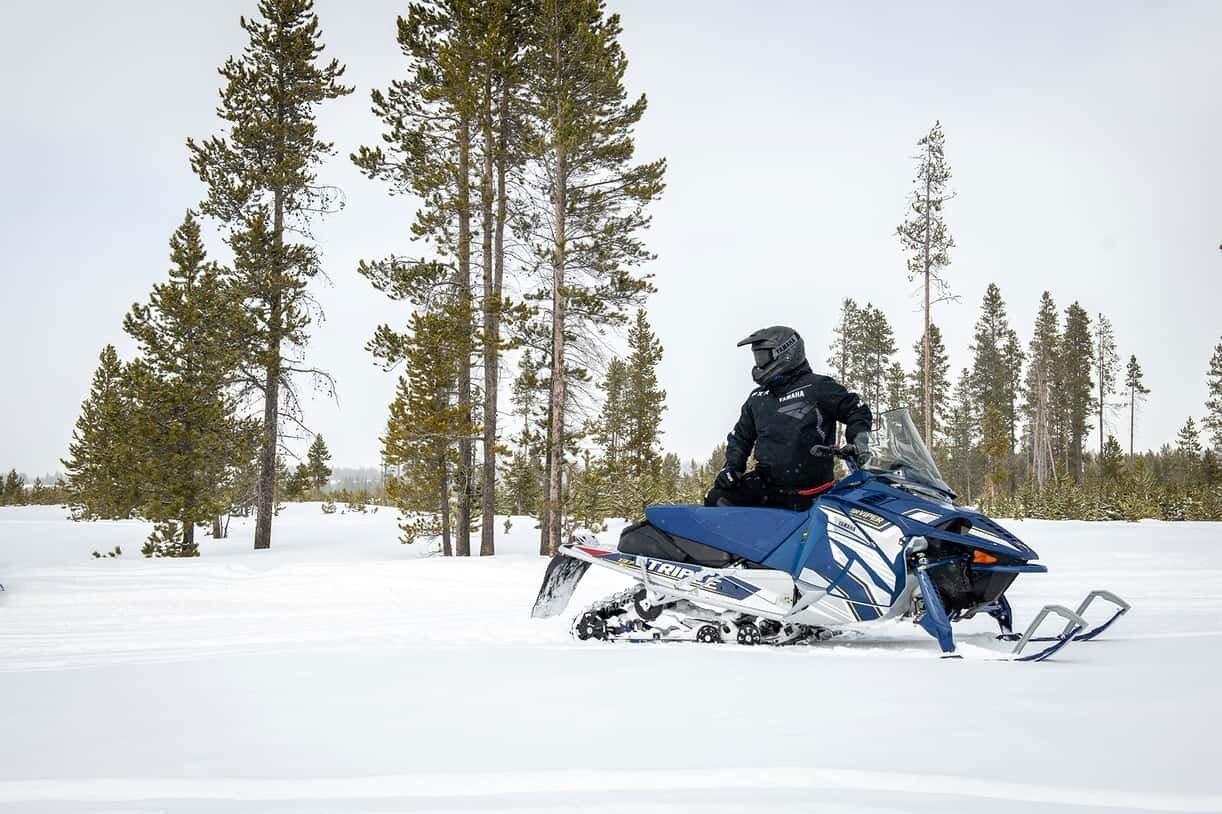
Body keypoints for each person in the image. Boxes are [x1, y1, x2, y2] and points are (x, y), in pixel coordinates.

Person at [705, 325, 873, 511]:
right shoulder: (757, 398)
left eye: (762, 357)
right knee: (717, 498)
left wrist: (858, 440)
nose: (758, 363)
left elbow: (856, 409)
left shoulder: (818, 387)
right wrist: (732, 467)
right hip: (767, 486)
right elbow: (740, 437)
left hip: (812, 490)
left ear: (785, 353)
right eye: (757, 357)